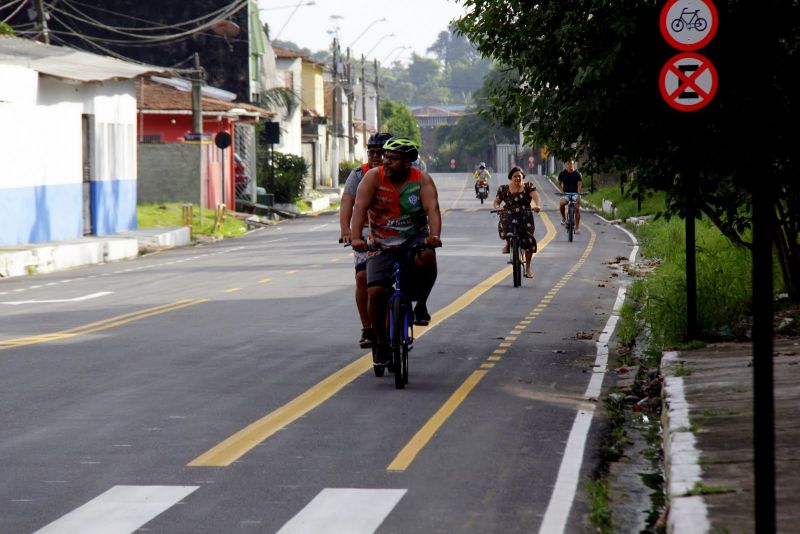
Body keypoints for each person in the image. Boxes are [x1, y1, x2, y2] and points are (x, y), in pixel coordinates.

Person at [350, 137, 442, 366]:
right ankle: (380, 343)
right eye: (385, 157)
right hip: (381, 243)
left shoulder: (421, 180)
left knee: (429, 256)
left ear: (408, 162)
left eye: (393, 158)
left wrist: (435, 236)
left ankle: (420, 305)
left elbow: (433, 209)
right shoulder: (372, 178)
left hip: (413, 239)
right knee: (376, 293)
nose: (386, 162)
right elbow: (359, 208)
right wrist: (355, 238)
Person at [339, 131, 393, 348]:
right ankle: (368, 328)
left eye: (382, 153)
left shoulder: (404, 173)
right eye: (372, 152)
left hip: (397, 233)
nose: (376, 157)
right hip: (368, 235)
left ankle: (404, 312)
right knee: (362, 278)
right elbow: (347, 202)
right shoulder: (358, 175)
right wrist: (347, 230)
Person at [493, 166, 541, 278]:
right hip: (509, 214)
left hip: (525, 215)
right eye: (515, 176)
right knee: (506, 226)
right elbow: (496, 202)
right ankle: (508, 243)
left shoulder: (528, 186)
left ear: (522, 177)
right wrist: (497, 207)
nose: (517, 179)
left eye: (519, 176)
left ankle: (528, 267)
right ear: (511, 177)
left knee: (529, 240)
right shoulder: (503, 189)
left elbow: (536, 197)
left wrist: (537, 206)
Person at [557, 159, 583, 233]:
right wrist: (562, 192)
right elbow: (558, 183)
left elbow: (579, 185)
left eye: (571, 164)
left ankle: (577, 227)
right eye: (569, 164)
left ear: (574, 164)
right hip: (566, 194)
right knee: (562, 203)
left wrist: (578, 195)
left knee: (577, 208)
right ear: (566, 164)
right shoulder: (562, 173)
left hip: (575, 193)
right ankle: (564, 218)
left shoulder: (578, 174)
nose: (570, 165)